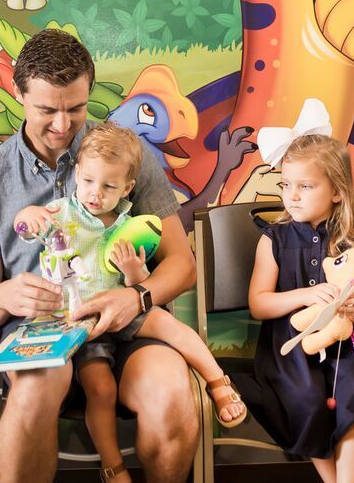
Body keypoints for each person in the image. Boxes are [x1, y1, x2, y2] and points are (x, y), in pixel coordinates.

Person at [0, 29, 200, 483]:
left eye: (75, 108)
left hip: (130, 327)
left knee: (172, 395)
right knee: (31, 397)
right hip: (45, 334)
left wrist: (138, 298)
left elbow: (181, 265)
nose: (62, 125)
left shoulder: (127, 156)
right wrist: (7, 295)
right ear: (18, 93)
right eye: (47, 110)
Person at [13, 123, 246, 483]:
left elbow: (138, 286)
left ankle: (217, 382)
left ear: (127, 188)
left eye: (108, 186)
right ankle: (113, 467)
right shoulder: (61, 214)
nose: (95, 193)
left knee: (171, 325)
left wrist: (136, 272)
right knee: (101, 389)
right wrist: (27, 218)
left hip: (126, 314)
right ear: (77, 173)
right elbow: (29, 229)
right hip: (83, 321)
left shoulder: (130, 223)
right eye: (89, 181)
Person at [247, 133, 354, 483]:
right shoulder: (274, 240)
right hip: (288, 351)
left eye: (306, 186)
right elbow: (259, 304)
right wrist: (303, 296)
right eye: (286, 184)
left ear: (337, 191)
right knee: (307, 399)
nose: (292, 195)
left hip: (346, 349)